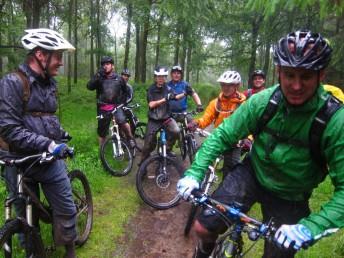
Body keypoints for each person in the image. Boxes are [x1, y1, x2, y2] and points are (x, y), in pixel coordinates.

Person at [177, 30, 344, 258]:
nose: (296, 85)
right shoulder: (263, 102)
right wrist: (195, 172)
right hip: (252, 175)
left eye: (305, 76)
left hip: (292, 195)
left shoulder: (336, 121)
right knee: (202, 227)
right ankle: (204, 251)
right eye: (289, 75)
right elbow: (223, 134)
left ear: (320, 75)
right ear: (279, 72)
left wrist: (312, 226)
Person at [0, 28, 77, 258]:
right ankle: (33, 252)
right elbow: (9, 129)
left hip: (48, 158)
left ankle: (70, 247)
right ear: (41, 55)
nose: (61, 63)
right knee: (23, 216)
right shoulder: (12, 83)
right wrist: (48, 143)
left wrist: (60, 135)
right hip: (18, 159)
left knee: (65, 207)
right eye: (58, 56)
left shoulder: (50, 83)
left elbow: (46, 117)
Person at [188, 70, 246, 177]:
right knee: (202, 160)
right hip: (218, 139)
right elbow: (206, 119)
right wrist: (196, 123)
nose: (226, 88)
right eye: (223, 85)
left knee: (231, 172)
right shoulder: (216, 103)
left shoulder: (243, 104)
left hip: (234, 142)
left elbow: (248, 123)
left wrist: (248, 139)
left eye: (229, 85)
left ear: (236, 86)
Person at [139, 66, 186, 164]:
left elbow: (175, 97)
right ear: (155, 77)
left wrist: (185, 93)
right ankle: (142, 165)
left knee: (176, 131)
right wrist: (165, 99)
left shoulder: (168, 88)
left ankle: (166, 150)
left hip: (166, 118)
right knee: (147, 145)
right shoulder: (151, 89)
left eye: (163, 77)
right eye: (159, 76)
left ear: (165, 77)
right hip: (154, 119)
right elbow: (151, 104)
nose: (161, 79)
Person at [87, 57, 135, 148]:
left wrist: (123, 103)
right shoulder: (99, 78)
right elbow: (89, 87)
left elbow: (125, 91)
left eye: (108, 64)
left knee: (123, 122)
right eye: (103, 64)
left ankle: (130, 138)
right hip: (102, 108)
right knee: (102, 132)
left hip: (116, 106)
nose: (105, 66)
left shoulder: (119, 79)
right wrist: (97, 75)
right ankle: (102, 152)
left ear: (112, 66)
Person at [166, 65, 203, 154]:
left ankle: (191, 141)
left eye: (178, 73)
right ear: (171, 74)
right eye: (174, 73)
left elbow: (194, 94)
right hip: (171, 113)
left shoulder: (185, 84)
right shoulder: (167, 85)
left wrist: (199, 104)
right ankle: (168, 149)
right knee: (173, 132)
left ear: (181, 75)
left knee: (193, 124)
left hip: (183, 112)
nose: (176, 75)